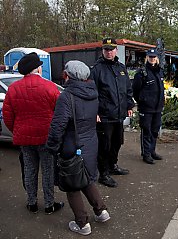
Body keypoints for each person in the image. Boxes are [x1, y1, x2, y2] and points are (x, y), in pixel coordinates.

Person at [46, 60, 110, 235]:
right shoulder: (93, 92)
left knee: (72, 184)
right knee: (87, 177)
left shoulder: (66, 97)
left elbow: (58, 126)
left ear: (69, 75)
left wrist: (51, 147)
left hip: (71, 145)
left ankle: (82, 224)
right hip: (90, 143)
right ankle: (101, 211)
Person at [2, 52, 64, 214]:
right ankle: (49, 204)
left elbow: (8, 116)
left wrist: (17, 130)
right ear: (37, 69)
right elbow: (59, 114)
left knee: (29, 170)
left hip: (25, 138)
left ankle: (32, 203)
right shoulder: (50, 87)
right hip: (46, 137)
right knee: (48, 171)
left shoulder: (13, 89)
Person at [90, 37, 134, 187]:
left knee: (117, 142)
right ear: (102, 51)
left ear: (116, 50)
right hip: (104, 116)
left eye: (111, 49)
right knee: (104, 146)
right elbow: (92, 93)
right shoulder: (96, 69)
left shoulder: (121, 68)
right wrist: (94, 112)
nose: (109, 52)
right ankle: (103, 173)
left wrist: (129, 105)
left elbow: (127, 89)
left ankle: (113, 165)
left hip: (119, 114)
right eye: (106, 50)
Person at [132, 49, 165, 164]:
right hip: (146, 108)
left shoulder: (159, 71)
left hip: (157, 108)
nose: (152, 59)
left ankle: (152, 151)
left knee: (155, 131)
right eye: (150, 57)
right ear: (147, 58)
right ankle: (146, 154)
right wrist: (142, 101)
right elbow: (135, 90)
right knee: (146, 131)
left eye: (154, 57)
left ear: (157, 58)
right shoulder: (142, 73)